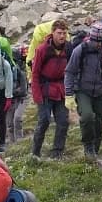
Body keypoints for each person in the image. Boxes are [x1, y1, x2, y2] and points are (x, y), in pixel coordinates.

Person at [65, 22, 102, 160]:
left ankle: (95, 147)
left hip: (101, 91)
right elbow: (70, 72)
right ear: (91, 38)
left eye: (100, 42)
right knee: (87, 117)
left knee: (100, 122)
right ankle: (88, 146)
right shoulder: (80, 50)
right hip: (83, 91)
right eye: (96, 42)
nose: (98, 45)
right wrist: (69, 94)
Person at [30, 20, 71, 159]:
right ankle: (35, 152)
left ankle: (57, 152)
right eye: (59, 33)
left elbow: (71, 70)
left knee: (63, 121)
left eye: (64, 33)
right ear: (52, 33)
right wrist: (37, 96)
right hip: (45, 90)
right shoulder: (42, 49)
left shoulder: (68, 48)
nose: (62, 36)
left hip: (61, 90)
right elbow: (35, 73)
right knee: (44, 121)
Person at [6, 44, 30, 142]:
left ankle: (19, 141)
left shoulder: (21, 72)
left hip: (21, 99)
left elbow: (23, 90)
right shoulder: (5, 71)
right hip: (10, 99)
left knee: (17, 118)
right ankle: (12, 143)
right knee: (9, 123)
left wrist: (11, 91)